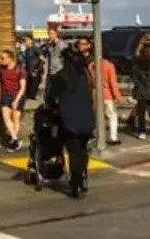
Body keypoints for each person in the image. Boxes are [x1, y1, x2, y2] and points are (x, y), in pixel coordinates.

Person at [47, 46, 94, 198]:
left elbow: (50, 98)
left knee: (73, 151)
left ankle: (76, 183)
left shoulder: (60, 77)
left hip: (70, 118)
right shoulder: (84, 75)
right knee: (82, 149)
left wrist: (54, 108)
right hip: (86, 116)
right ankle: (82, 178)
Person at [89, 44, 123, 145]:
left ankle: (97, 136)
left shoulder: (91, 65)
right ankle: (113, 137)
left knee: (98, 116)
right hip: (106, 94)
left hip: (95, 93)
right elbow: (113, 82)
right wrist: (118, 96)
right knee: (112, 115)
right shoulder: (109, 65)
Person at [0, 49, 27, 151]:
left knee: (15, 118)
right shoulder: (0, 69)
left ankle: (13, 143)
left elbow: (22, 87)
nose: (1, 60)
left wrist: (16, 100)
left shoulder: (20, 69)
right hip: (5, 95)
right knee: (6, 118)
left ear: (10, 58)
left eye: (3, 58)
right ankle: (15, 139)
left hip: (17, 95)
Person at [131, 43, 150, 139]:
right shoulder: (137, 64)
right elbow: (134, 77)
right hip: (143, 91)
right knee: (143, 112)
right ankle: (143, 130)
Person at [20, 34, 42, 100]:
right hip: (28, 72)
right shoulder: (26, 50)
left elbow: (43, 60)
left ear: (30, 40)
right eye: (23, 40)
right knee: (28, 92)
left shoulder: (35, 48)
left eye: (25, 40)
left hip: (34, 73)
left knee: (32, 93)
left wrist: (37, 70)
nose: (24, 42)